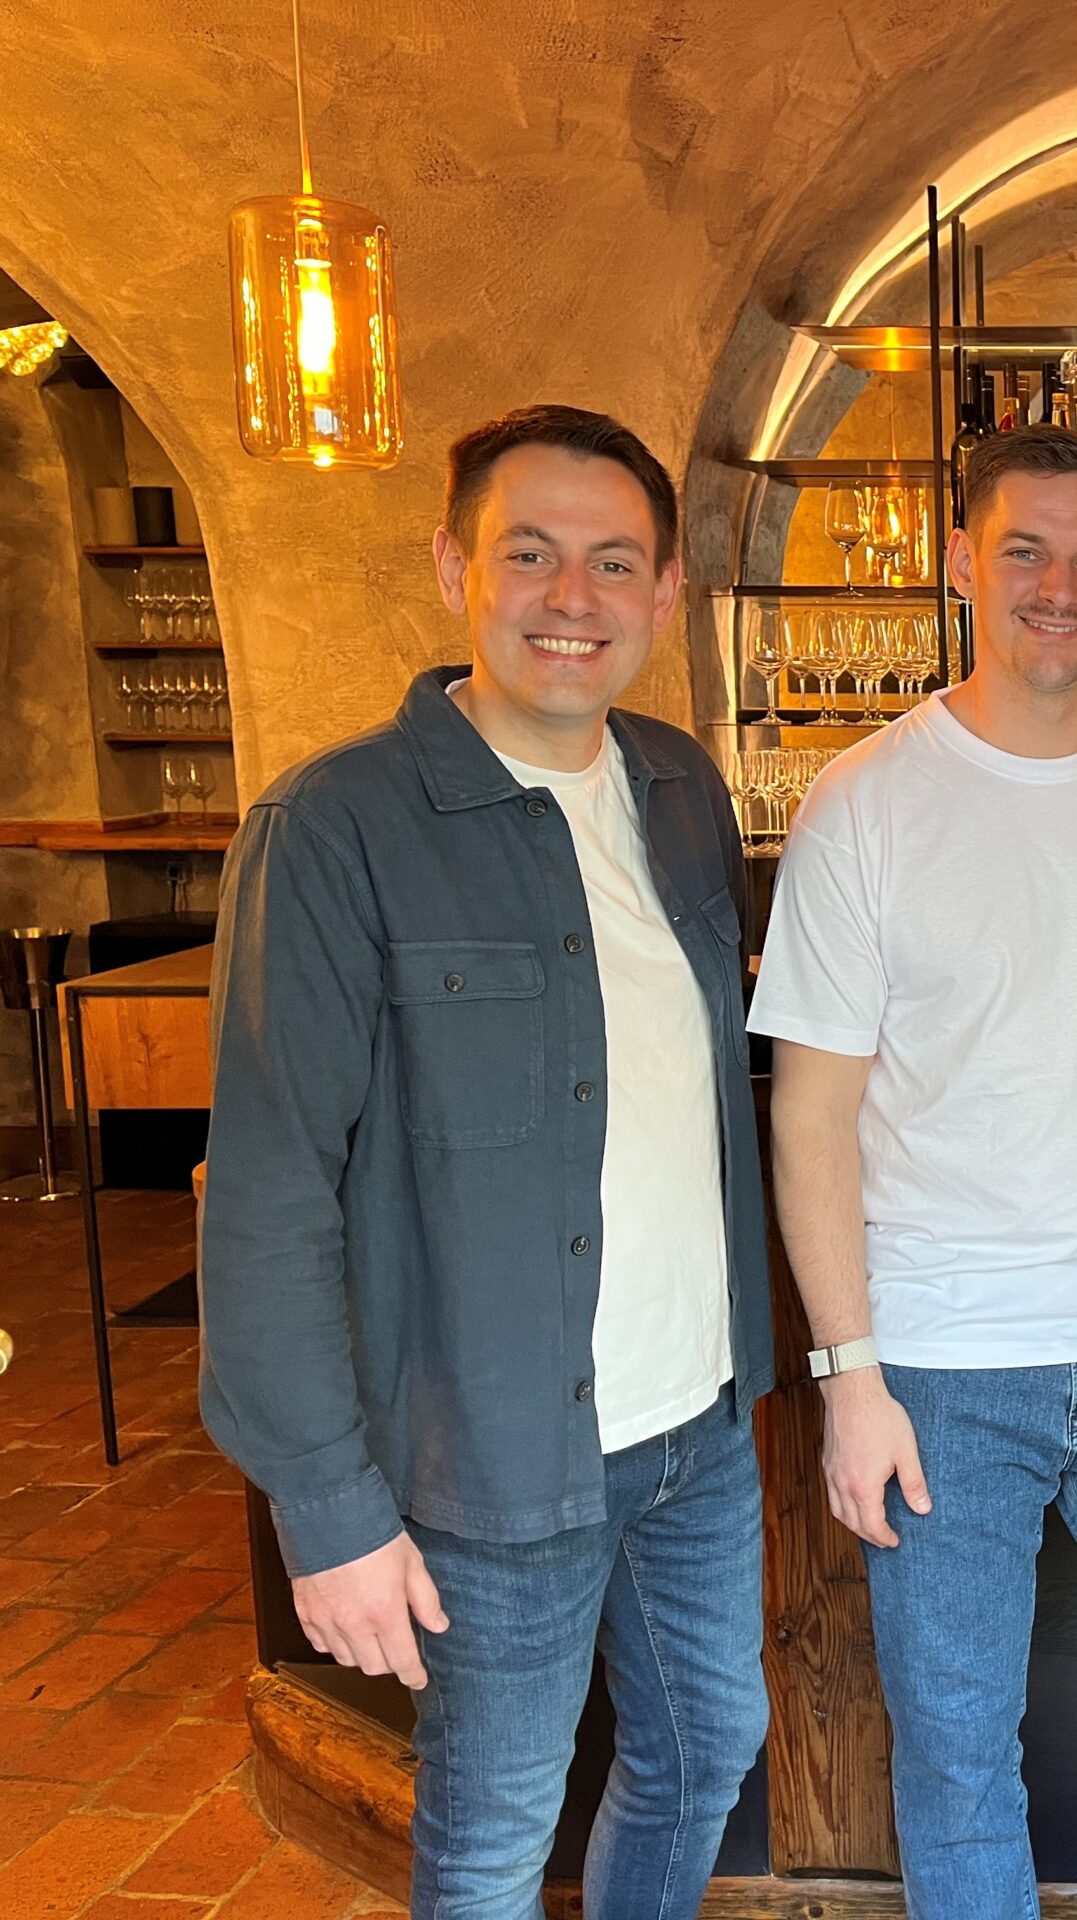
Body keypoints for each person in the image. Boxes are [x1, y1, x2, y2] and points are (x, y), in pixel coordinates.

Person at [200, 405, 773, 1916]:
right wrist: (327, 1510)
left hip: (698, 1428)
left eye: (610, 563)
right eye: (530, 555)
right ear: (458, 564)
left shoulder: (675, 786)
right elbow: (268, 1194)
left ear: (664, 594)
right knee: (493, 1830)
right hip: (490, 1454)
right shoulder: (333, 828)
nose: (569, 600)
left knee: (708, 1743)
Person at [752, 424, 1077, 1918]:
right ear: (961, 560)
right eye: (1025, 551)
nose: (1062, 586)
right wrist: (849, 1377)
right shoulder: (866, 802)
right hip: (941, 1366)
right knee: (961, 1749)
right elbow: (812, 1115)